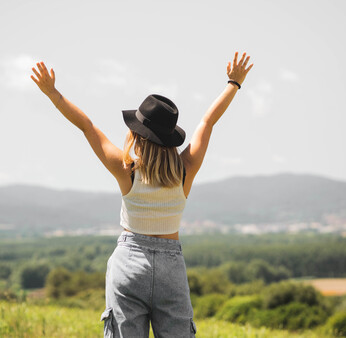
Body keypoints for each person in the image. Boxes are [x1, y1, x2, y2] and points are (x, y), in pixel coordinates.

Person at [31, 51, 253, 337]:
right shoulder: (185, 169)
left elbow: (87, 126)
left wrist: (53, 94)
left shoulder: (127, 170)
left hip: (128, 263)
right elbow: (207, 122)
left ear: (137, 134)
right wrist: (233, 83)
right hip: (171, 268)